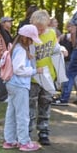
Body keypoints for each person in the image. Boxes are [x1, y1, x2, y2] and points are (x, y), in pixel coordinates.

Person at [2, 25, 43, 152]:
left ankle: (9, 140)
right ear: (26, 38)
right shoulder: (20, 51)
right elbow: (19, 69)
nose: (32, 42)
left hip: (12, 83)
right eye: (31, 39)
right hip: (19, 85)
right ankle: (24, 142)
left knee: (12, 113)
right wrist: (35, 70)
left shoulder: (16, 48)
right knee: (22, 114)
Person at [29, 9, 62, 145]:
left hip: (48, 75)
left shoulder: (52, 34)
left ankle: (43, 131)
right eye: (37, 29)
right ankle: (27, 132)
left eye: (42, 29)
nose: (40, 32)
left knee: (45, 103)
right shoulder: (28, 35)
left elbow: (55, 49)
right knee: (30, 105)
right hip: (33, 76)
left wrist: (62, 50)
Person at [0, 16, 15, 103]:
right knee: (2, 75)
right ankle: (3, 96)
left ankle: (5, 94)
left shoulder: (7, 32)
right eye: (9, 21)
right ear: (3, 23)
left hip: (7, 56)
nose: (11, 23)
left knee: (5, 75)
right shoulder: (2, 32)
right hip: (4, 57)